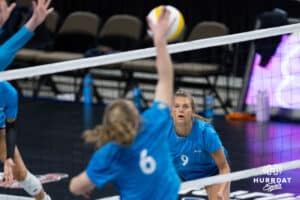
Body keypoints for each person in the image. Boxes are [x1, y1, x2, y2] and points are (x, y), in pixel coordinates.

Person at [69, 8, 180, 199]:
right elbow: (165, 78)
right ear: (137, 119)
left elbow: (75, 187)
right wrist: (159, 41)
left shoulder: (108, 155)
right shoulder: (153, 122)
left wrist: (88, 183)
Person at [0, 0, 53, 199]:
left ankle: (42, 197)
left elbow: (11, 127)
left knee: (19, 172)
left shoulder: (7, 93)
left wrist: (8, 158)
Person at [168, 89, 230, 200]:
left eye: (185, 106)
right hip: (182, 173)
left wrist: (221, 191)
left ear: (192, 111)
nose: (180, 110)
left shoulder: (206, 133)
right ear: (172, 112)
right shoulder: (164, 133)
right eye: (177, 106)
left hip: (212, 172)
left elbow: (224, 168)